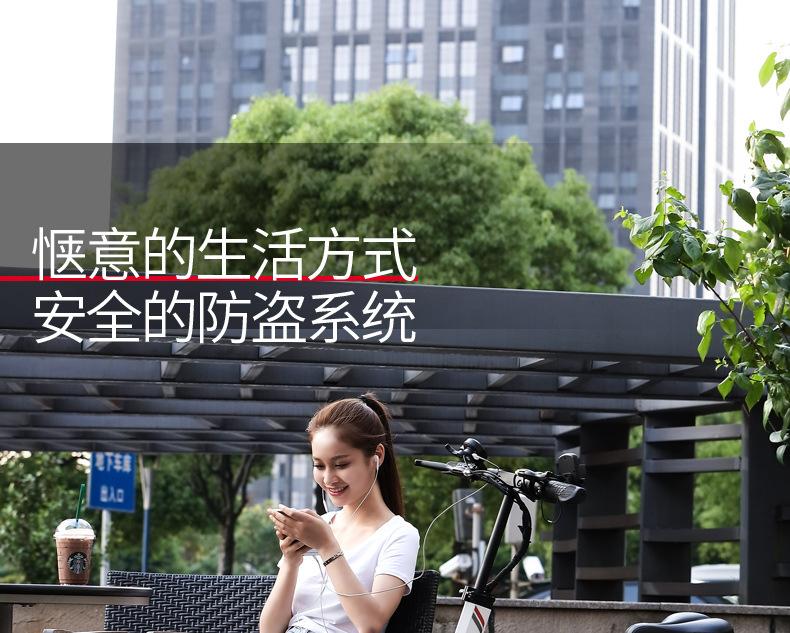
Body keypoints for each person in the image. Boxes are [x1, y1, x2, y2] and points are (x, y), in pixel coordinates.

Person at [259, 393, 420, 633]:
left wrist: (327, 546)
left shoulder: (399, 535)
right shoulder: (319, 526)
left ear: (377, 456)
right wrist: (292, 560)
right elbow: (269, 629)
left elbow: (371, 625)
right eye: (319, 465)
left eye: (341, 464)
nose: (328, 479)